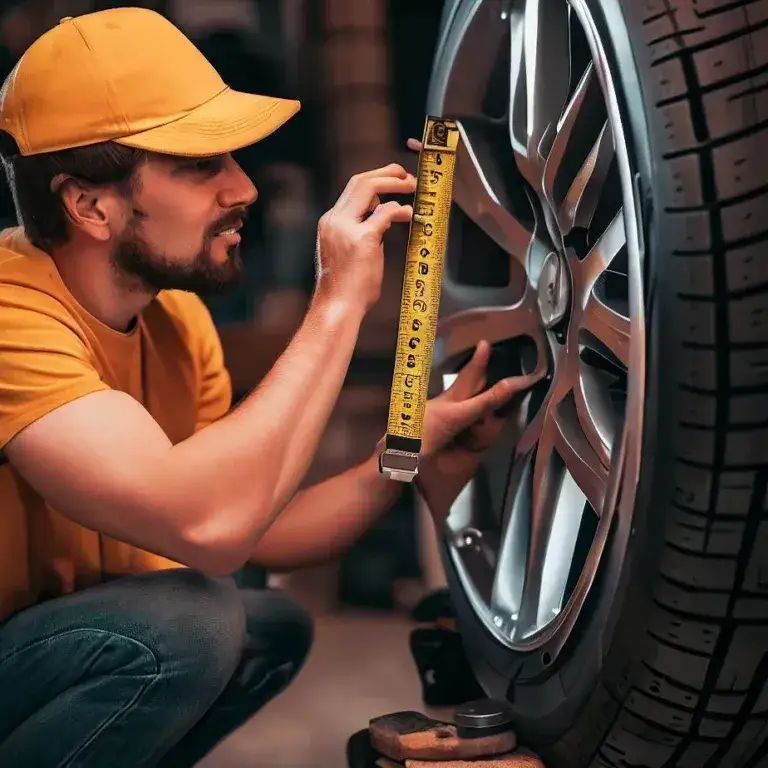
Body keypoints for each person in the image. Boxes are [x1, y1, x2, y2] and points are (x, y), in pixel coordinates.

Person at [0, 8, 541, 768]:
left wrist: (403, 459)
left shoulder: (176, 324)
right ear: (89, 205)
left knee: (267, 623)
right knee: (187, 630)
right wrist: (338, 302)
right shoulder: (10, 317)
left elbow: (256, 529)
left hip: (39, 646)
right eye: (199, 166)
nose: (244, 186)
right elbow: (208, 527)